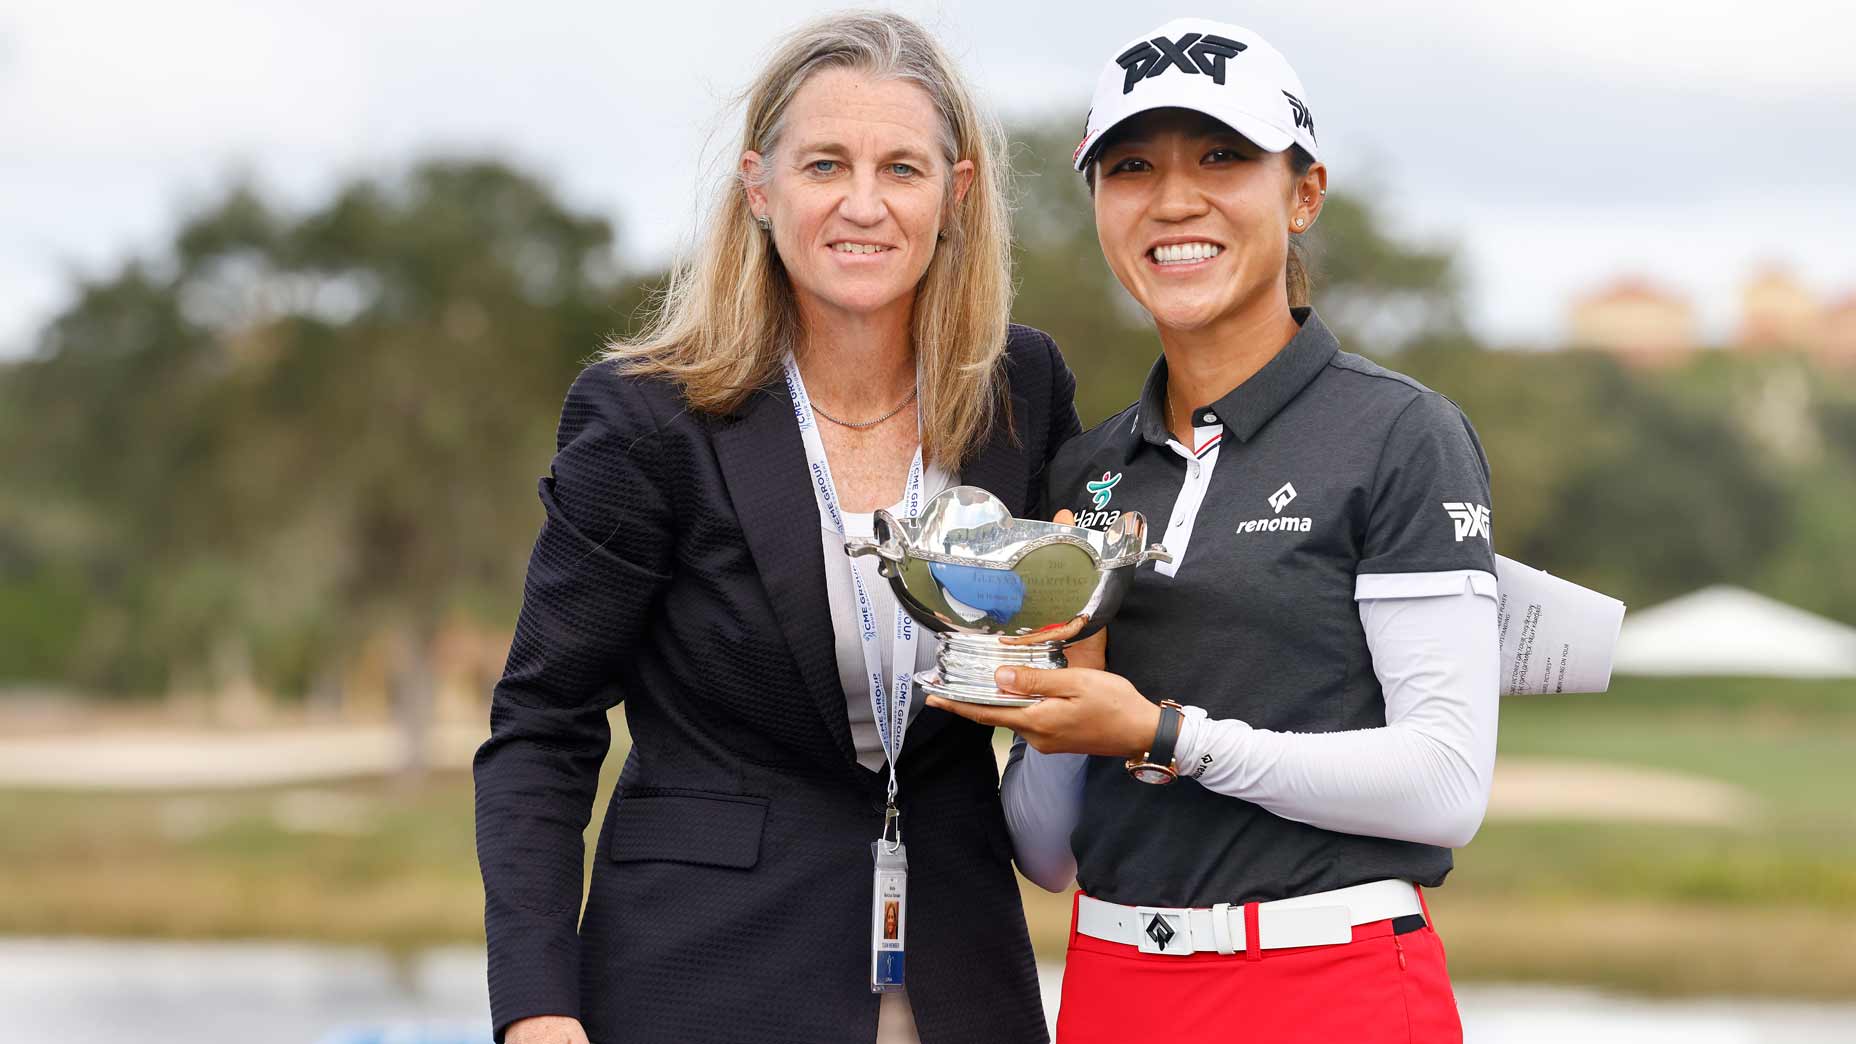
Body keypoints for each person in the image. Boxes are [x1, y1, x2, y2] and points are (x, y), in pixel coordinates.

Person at [473, 12, 1075, 1044]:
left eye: (900, 168)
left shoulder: (1020, 388)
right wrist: (535, 1011)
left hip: (956, 977)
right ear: (759, 188)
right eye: (824, 164)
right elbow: (544, 725)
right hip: (697, 977)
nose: (861, 203)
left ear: (956, 195)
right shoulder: (644, 415)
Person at [925, 18, 1498, 1043]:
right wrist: (1070, 684)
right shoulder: (1086, 471)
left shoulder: (1401, 435)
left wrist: (1162, 734)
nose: (1174, 199)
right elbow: (1048, 855)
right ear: (1098, 205)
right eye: (1131, 166)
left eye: (1223, 157)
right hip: (1110, 985)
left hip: (1335, 987)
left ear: (1303, 192)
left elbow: (1443, 786)